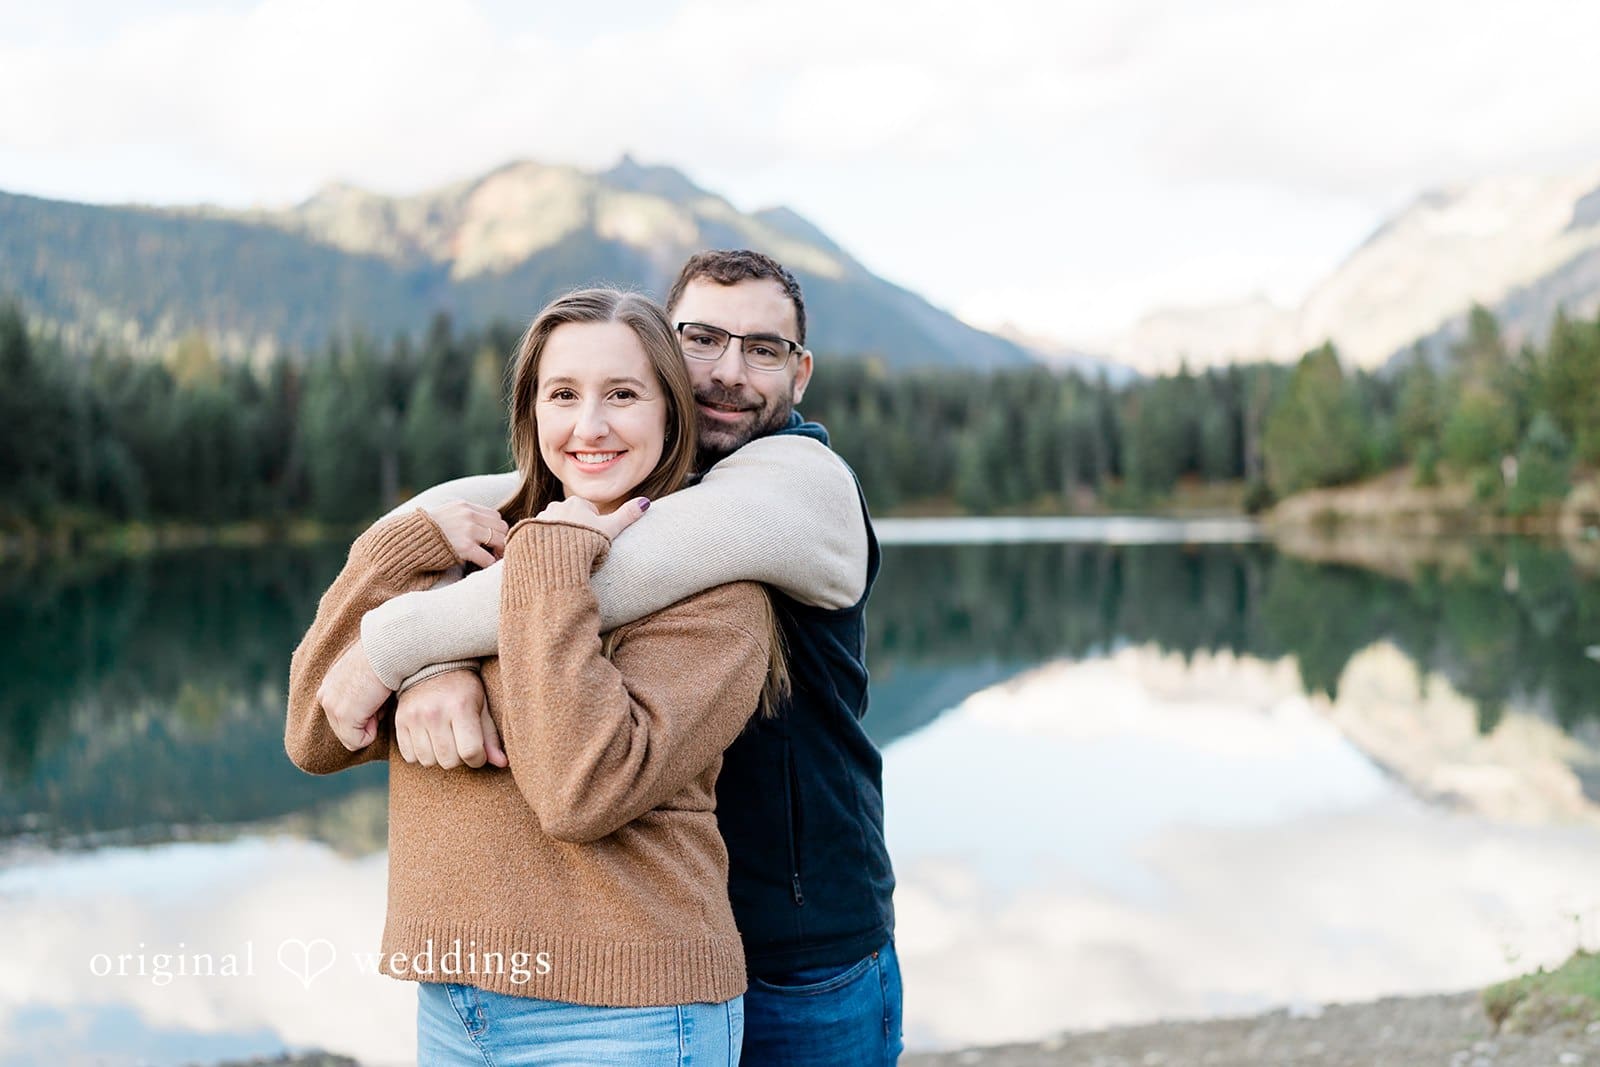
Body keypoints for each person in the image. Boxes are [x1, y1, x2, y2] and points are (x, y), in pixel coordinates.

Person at [314, 250, 903, 1066]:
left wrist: (395, 644)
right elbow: (510, 504)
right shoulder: (646, 475)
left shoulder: (799, 485)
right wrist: (431, 643)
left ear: (800, 374)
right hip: (655, 925)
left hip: (802, 947)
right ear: (663, 347)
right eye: (702, 339)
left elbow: (593, 569)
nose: (729, 371)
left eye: (763, 349)